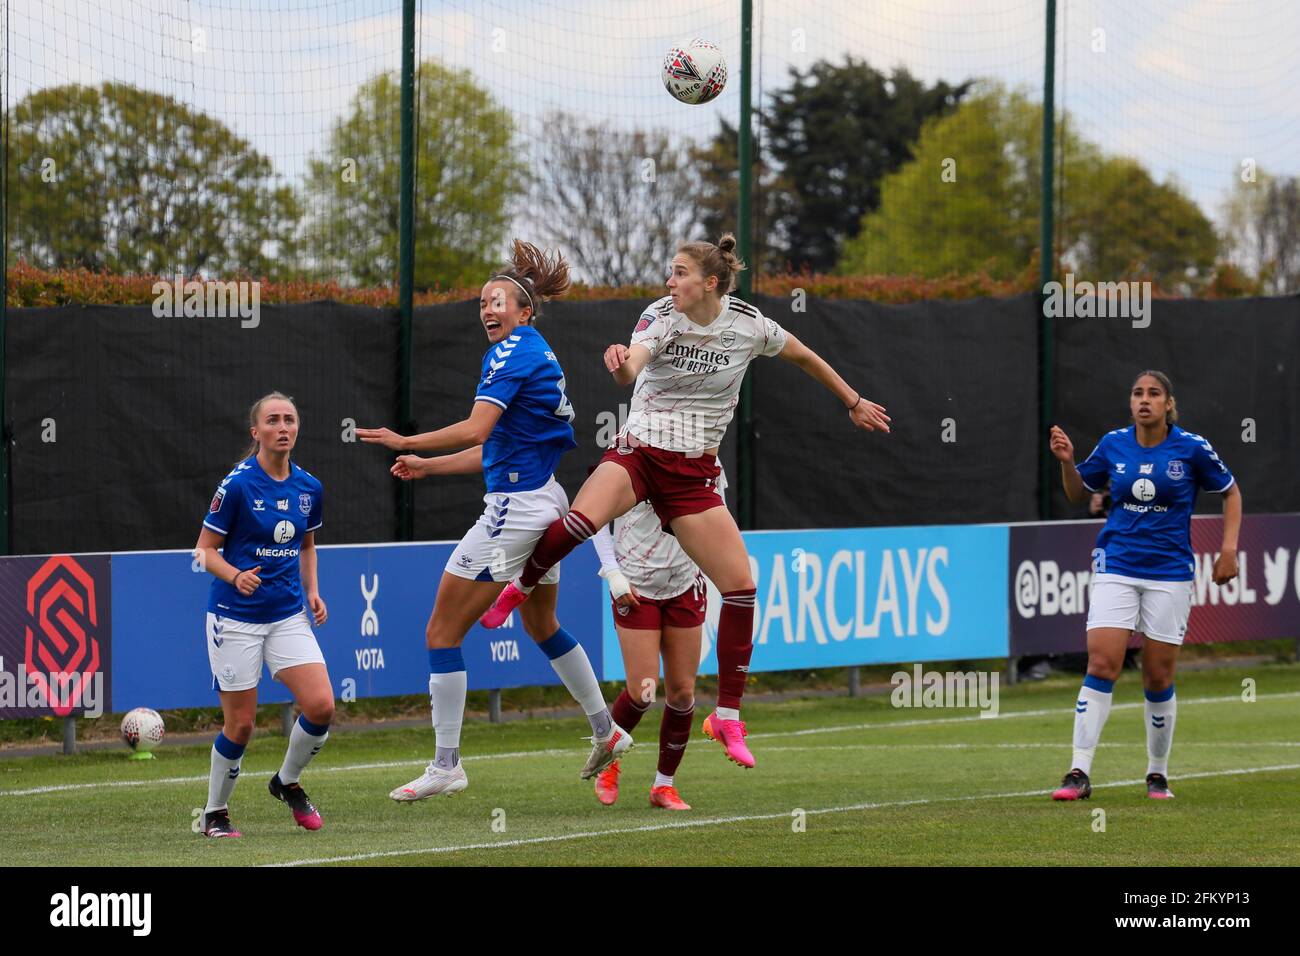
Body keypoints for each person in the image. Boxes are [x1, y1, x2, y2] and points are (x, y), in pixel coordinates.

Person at [480, 234, 890, 770]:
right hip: (642, 452)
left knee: (741, 587)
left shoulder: (749, 325)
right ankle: (521, 585)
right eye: (669, 274)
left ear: (710, 283)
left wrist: (853, 402)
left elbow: (805, 356)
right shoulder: (661, 315)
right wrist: (621, 366)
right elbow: (634, 367)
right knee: (581, 520)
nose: (669, 282)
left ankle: (728, 715)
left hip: (693, 474)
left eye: (678, 274)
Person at [357, 240, 632, 801]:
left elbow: (477, 430)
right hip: (546, 498)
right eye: (482, 302)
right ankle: (606, 729)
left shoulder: (510, 355)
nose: (487, 309)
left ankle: (447, 765)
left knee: (441, 631)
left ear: (525, 311)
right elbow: (495, 448)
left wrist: (405, 438)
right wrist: (429, 465)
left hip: (515, 511)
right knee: (541, 626)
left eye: (499, 300)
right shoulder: (538, 351)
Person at [1048, 370, 1242, 801]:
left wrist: (1228, 551)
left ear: (1168, 404)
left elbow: (1230, 492)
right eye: (1138, 393)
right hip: (1116, 564)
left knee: (1157, 676)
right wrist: (1067, 463)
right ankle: (1078, 772)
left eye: (1154, 394)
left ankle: (1157, 774)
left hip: (1169, 573)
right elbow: (1080, 494)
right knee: (1101, 663)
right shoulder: (1113, 444)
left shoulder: (1191, 448)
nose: (1144, 400)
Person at [194, 392, 332, 838]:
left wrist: (312, 591)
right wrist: (236, 576)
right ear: (256, 432)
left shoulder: (309, 487)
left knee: (321, 706)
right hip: (234, 617)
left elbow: (306, 545)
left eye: (290, 419)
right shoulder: (237, 485)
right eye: (272, 420)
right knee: (242, 724)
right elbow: (204, 551)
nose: (283, 427)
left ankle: (286, 781)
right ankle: (214, 813)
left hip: (287, 614)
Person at [590, 472, 729, 810]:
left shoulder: (707, 457)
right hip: (635, 586)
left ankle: (663, 786)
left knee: (682, 692)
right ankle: (609, 761)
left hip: (685, 583)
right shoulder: (628, 450)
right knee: (643, 691)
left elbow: (718, 513)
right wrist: (613, 573)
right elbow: (593, 519)